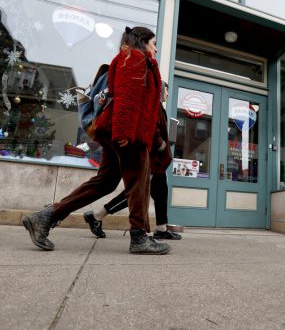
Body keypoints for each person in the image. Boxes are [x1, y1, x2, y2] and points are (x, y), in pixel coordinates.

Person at [22, 26, 170, 255]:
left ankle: (45, 217)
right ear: (143, 41)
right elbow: (127, 99)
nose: (156, 48)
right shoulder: (136, 58)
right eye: (153, 43)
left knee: (106, 182)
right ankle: (139, 237)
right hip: (128, 134)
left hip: (117, 131)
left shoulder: (130, 57)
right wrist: (123, 133)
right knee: (139, 182)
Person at [83, 82, 181, 240]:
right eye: (166, 91)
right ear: (160, 90)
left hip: (157, 160)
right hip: (151, 158)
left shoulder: (158, 107)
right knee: (135, 193)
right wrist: (162, 145)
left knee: (161, 191)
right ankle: (97, 215)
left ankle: (162, 228)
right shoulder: (153, 106)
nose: (167, 94)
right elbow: (151, 130)